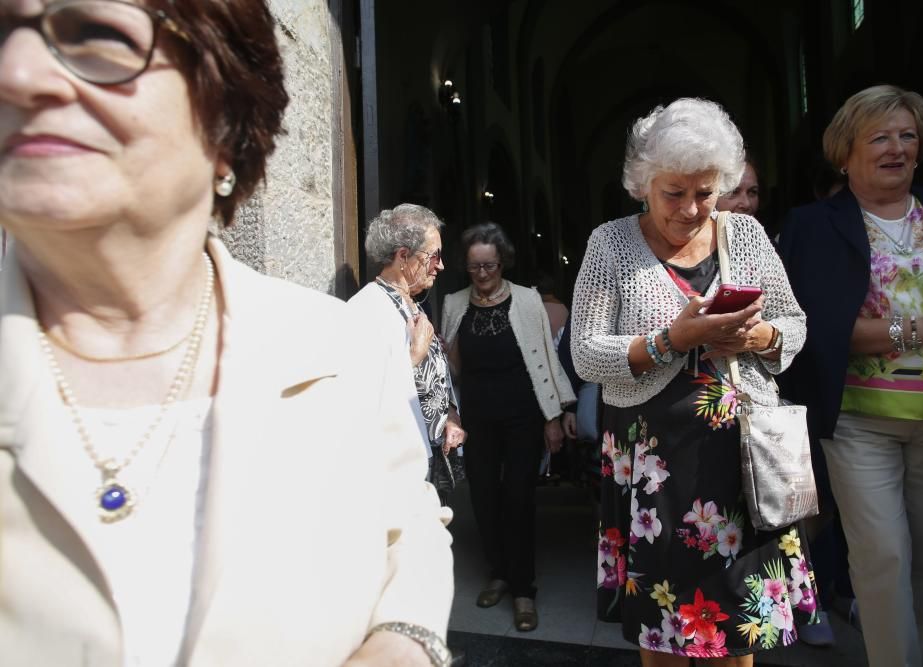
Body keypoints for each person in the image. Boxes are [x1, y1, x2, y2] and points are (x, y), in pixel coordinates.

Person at [0, 2, 453, 665]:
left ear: (225, 119)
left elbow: (410, 522)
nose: (17, 72)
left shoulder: (339, 347)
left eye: (96, 34)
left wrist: (405, 641)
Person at [572, 98, 816, 666]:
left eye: (705, 193)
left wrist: (755, 339)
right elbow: (585, 353)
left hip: (742, 463)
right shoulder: (609, 245)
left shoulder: (747, 236)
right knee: (664, 629)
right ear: (643, 184)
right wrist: (670, 341)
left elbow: (795, 324)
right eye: (673, 193)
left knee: (740, 628)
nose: (690, 209)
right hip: (654, 467)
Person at [778, 84, 923, 667]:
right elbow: (817, 327)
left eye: (907, 136)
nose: (896, 148)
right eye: (879, 137)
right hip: (859, 417)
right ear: (844, 153)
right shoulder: (814, 225)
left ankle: (914, 654)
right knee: (882, 556)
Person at [441, 222, 575, 632]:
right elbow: (450, 369)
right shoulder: (453, 303)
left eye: (490, 266)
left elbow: (547, 363)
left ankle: (523, 590)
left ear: (503, 263)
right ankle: (498, 572)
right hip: (477, 417)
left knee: (518, 499)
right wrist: (450, 412)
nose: (482, 275)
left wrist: (554, 415)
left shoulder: (528, 300)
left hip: (522, 416)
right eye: (475, 267)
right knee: (482, 497)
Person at [350, 203, 466, 498]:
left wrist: (451, 415)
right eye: (434, 256)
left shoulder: (411, 303)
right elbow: (364, 389)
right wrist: (414, 354)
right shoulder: (368, 308)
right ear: (403, 256)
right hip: (399, 460)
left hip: (430, 454)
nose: (441, 265)